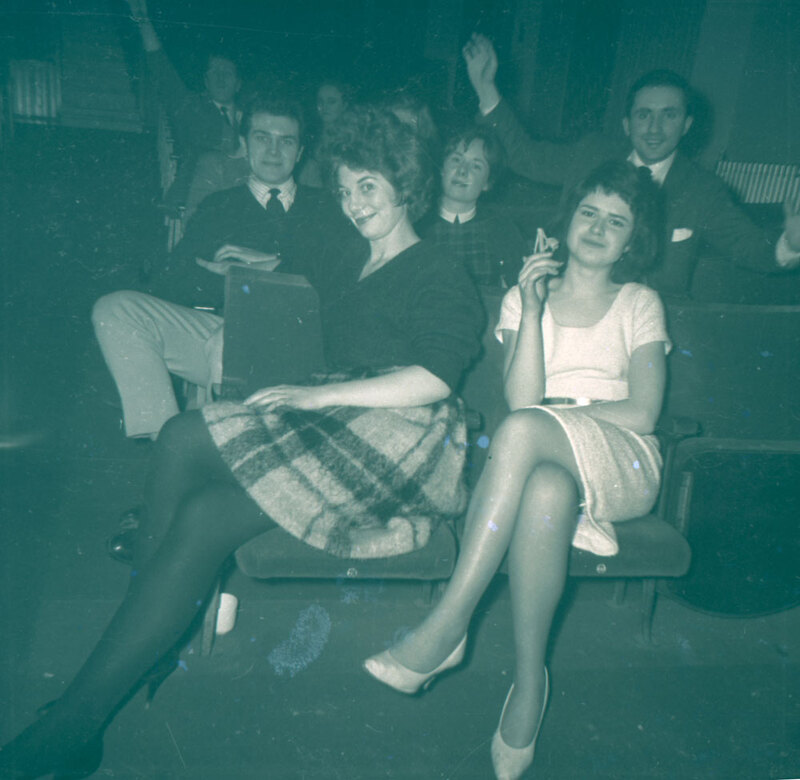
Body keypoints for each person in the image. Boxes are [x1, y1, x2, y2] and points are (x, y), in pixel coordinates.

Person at [0, 106, 483, 779]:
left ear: (405, 183)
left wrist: (315, 397)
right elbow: (290, 309)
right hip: (339, 420)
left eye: (368, 186)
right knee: (202, 514)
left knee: (183, 436)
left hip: (401, 437)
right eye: (345, 189)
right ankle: (88, 712)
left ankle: (103, 683)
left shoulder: (437, 268)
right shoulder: (349, 258)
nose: (354, 203)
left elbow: (435, 378)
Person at [364, 160, 671, 779]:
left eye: (616, 222)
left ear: (632, 241)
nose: (597, 228)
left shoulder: (639, 302)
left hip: (623, 458)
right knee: (546, 488)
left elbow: (642, 411)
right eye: (589, 212)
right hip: (539, 454)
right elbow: (521, 399)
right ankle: (531, 684)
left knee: (527, 429)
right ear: (568, 219)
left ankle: (449, 624)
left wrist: (559, 419)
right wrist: (531, 311)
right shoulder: (519, 298)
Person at [462, 33, 800, 297]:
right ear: (626, 124)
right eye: (644, 115)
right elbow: (525, 156)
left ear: (687, 125)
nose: (654, 128)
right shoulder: (592, 154)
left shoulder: (704, 190)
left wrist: (790, 245)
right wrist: (485, 87)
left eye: (669, 115)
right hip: (570, 302)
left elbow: (750, 247)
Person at [93, 92, 346, 441]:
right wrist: (224, 276)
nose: (274, 151)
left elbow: (344, 277)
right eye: (263, 138)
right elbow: (174, 281)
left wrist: (271, 268)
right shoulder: (219, 206)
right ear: (245, 144)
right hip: (225, 332)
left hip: (308, 341)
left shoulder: (329, 208)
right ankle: (166, 442)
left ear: (300, 152)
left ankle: (226, 449)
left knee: (226, 341)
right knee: (115, 308)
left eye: (286, 141)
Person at [125, 0, 242, 209]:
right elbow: (161, 69)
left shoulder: (253, 117)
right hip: (195, 202)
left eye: (227, 72)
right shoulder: (190, 107)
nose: (221, 77)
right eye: (214, 71)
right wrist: (143, 19)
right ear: (205, 81)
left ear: (239, 84)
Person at [418, 125, 526, 287]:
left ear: (487, 182)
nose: (462, 171)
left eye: (476, 166)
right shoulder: (417, 223)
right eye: (456, 160)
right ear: (442, 168)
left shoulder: (502, 229)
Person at [298, 79, 352, 188]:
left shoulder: (350, 140)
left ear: (344, 105)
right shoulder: (309, 135)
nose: (324, 107)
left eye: (331, 102)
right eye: (320, 101)